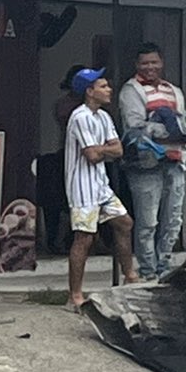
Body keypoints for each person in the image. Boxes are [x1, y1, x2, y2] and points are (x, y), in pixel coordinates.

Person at [64, 67, 138, 306]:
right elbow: (91, 155)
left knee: (124, 222)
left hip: (100, 184)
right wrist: (105, 150)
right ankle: (75, 294)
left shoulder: (103, 117)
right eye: (103, 86)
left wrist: (102, 150)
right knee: (84, 237)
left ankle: (130, 276)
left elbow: (117, 150)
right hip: (82, 185)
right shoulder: (80, 117)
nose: (109, 90)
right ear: (89, 91)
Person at [117, 42, 186, 281]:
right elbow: (135, 126)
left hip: (176, 162)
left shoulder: (174, 90)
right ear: (137, 65)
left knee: (173, 219)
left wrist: (175, 129)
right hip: (145, 165)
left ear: (162, 63)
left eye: (154, 62)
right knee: (148, 221)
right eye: (145, 63)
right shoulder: (131, 90)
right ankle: (148, 271)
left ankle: (165, 267)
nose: (150, 67)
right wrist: (171, 129)